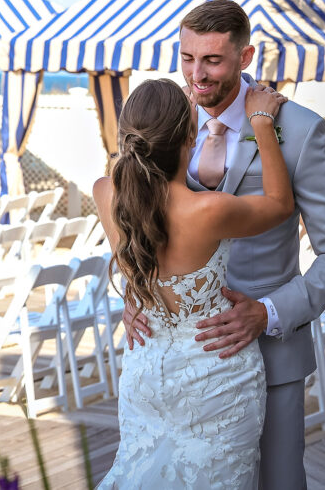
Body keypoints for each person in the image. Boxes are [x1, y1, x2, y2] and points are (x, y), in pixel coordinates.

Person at [121, 0, 325, 489]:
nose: (196, 75)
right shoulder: (165, 120)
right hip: (173, 366)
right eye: (187, 58)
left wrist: (268, 313)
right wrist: (135, 292)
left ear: (245, 56)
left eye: (212, 60)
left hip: (268, 357)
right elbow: (134, 220)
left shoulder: (297, 130)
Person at [93, 77, 292, 488]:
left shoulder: (104, 193)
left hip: (145, 369)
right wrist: (261, 125)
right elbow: (280, 204)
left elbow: (138, 271)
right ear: (190, 137)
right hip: (215, 378)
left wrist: (134, 301)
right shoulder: (208, 210)